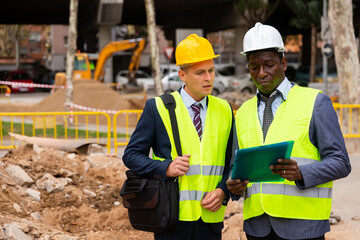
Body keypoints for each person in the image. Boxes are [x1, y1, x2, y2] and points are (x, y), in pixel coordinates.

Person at [226, 22, 351, 240]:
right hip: (257, 228)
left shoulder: (315, 102)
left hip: (303, 228)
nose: (261, 73)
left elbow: (341, 162)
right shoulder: (243, 112)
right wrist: (234, 185)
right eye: (254, 67)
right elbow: (238, 165)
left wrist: (302, 173)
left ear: (283, 63)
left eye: (268, 65)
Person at [123, 33, 235, 240]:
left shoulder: (225, 110)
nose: (208, 78)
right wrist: (165, 167)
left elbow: (232, 162)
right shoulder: (157, 108)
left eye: (211, 70)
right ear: (182, 75)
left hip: (210, 221)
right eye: (200, 72)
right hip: (171, 219)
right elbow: (131, 155)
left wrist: (222, 192)